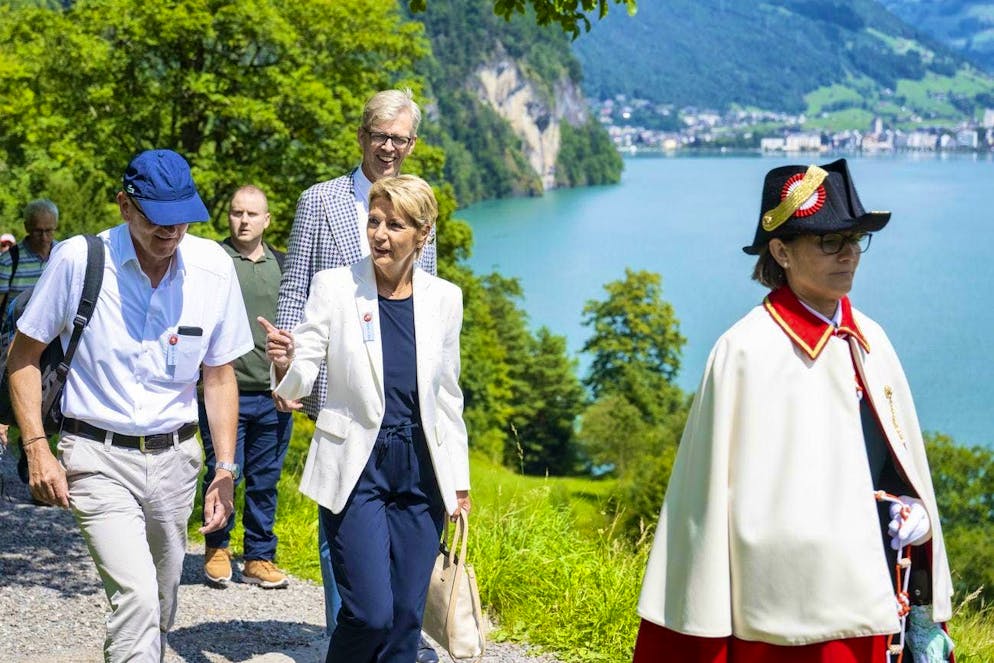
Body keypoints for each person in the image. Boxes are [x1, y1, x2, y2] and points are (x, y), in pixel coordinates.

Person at [633, 159, 954, 662]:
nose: (848, 254)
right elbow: (708, 504)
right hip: (789, 611)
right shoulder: (745, 351)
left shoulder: (873, 340)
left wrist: (911, 506)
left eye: (855, 239)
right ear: (781, 252)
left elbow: (889, 455)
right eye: (829, 241)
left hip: (876, 587)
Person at [7, 149, 252, 662]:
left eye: (182, 217)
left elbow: (219, 375)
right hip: (95, 456)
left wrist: (225, 469)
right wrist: (37, 447)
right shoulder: (79, 260)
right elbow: (23, 358)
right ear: (124, 206)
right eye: (157, 217)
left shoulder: (213, 269)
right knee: (137, 597)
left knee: (160, 600)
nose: (171, 230)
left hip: (176, 461)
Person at [261, 174, 470, 663]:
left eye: (394, 225)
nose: (379, 234)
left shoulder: (445, 298)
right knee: (369, 614)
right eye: (374, 221)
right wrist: (287, 366)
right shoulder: (335, 287)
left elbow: (447, 396)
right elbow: (306, 363)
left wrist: (458, 481)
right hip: (357, 464)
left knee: (405, 618)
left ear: (422, 234)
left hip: (422, 468)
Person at [275, 87, 440, 661]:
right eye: (380, 136)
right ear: (362, 136)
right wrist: (287, 366)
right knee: (345, 549)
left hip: (402, 410)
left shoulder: (418, 206)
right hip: (335, 392)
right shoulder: (320, 201)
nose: (389, 147)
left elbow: (425, 297)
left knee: (393, 574)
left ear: (411, 144)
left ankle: (374, 640)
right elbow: (296, 288)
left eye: (400, 138)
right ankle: (343, 636)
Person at [200, 185, 293, 589]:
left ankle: (259, 556)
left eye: (252, 214)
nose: (243, 221)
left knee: (265, 481)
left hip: (273, 394)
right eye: (237, 213)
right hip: (225, 392)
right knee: (223, 473)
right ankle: (217, 548)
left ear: (266, 220)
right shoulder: (213, 260)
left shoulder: (284, 265)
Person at [0, 200, 60, 478]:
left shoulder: (63, 257)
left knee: (49, 404)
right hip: (15, 344)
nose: (44, 237)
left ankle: (35, 457)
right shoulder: (9, 261)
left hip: (53, 346)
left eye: (49, 230)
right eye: (38, 231)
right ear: (26, 228)